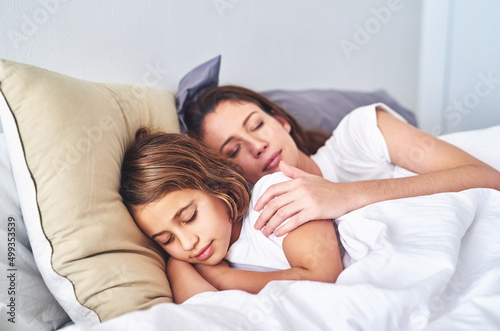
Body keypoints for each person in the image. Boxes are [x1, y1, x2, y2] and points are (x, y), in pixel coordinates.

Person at [184, 85, 500, 237]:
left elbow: (487, 178)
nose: (257, 145)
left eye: (256, 125)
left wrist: (346, 196)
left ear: (281, 122)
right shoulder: (264, 221)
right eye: (233, 150)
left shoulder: (358, 132)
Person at [120, 128, 343, 304]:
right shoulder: (186, 262)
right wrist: (178, 266)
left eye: (189, 217)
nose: (188, 243)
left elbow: (323, 279)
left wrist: (225, 280)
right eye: (166, 239)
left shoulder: (274, 196)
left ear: (217, 184)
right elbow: (206, 317)